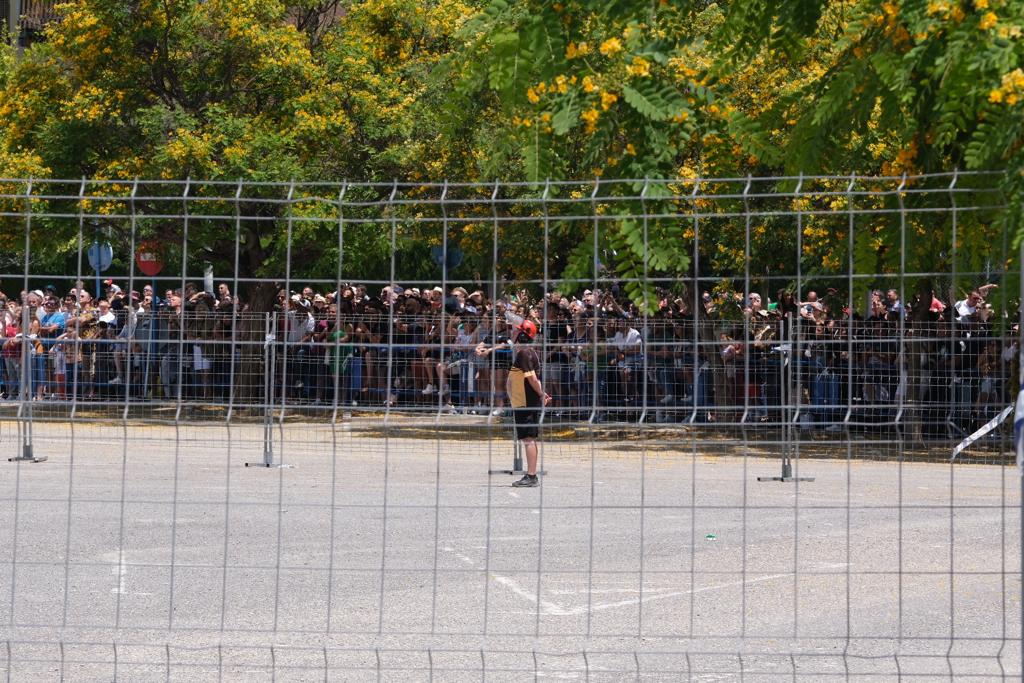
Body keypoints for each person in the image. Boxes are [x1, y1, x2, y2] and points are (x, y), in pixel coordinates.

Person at [506, 320, 551, 488]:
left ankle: (531, 476)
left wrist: (541, 394)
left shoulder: (524, 353)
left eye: (516, 331)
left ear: (522, 335)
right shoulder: (526, 352)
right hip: (522, 401)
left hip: (525, 401)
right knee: (528, 438)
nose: (513, 333)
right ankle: (531, 475)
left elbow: (532, 378)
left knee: (528, 438)